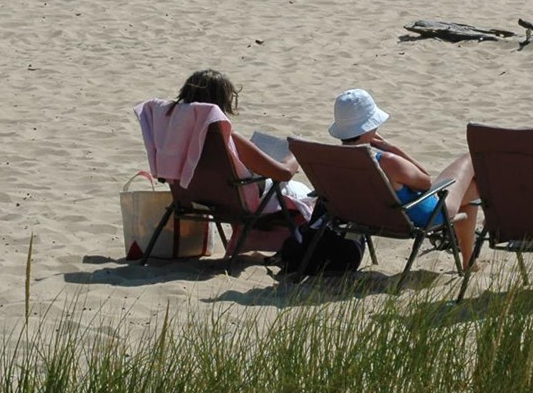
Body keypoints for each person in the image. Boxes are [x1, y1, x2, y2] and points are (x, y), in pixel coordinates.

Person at [327, 88, 481, 267]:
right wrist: (390, 147)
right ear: (369, 127)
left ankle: (470, 260)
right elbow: (426, 181)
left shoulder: (334, 161)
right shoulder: (387, 162)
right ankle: (469, 259)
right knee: (471, 160)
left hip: (370, 217)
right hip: (427, 215)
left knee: (472, 189)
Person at [165, 69, 300, 187]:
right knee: (300, 191)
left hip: (193, 197)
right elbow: (284, 173)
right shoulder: (226, 140)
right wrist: (296, 153)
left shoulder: (173, 135)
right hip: (238, 203)